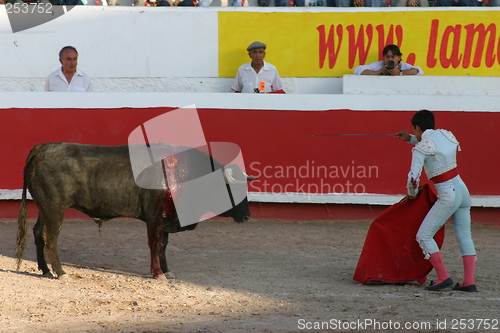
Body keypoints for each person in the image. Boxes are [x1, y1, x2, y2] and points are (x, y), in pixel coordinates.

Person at [395, 110, 477, 292]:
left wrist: (412, 194)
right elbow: (432, 144)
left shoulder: (420, 149)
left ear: (416, 127)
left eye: (414, 130)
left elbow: (413, 179)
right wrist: (409, 138)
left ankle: (443, 277)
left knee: (423, 235)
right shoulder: (446, 135)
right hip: (463, 191)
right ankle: (469, 282)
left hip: (448, 194)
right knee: (464, 236)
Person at [354, 44, 423, 76]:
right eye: (387, 56)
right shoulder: (379, 65)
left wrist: (399, 72)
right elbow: (357, 70)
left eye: (393, 57)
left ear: (399, 57)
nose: (390, 59)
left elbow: (418, 71)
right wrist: (378, 72)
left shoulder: (402, 66)